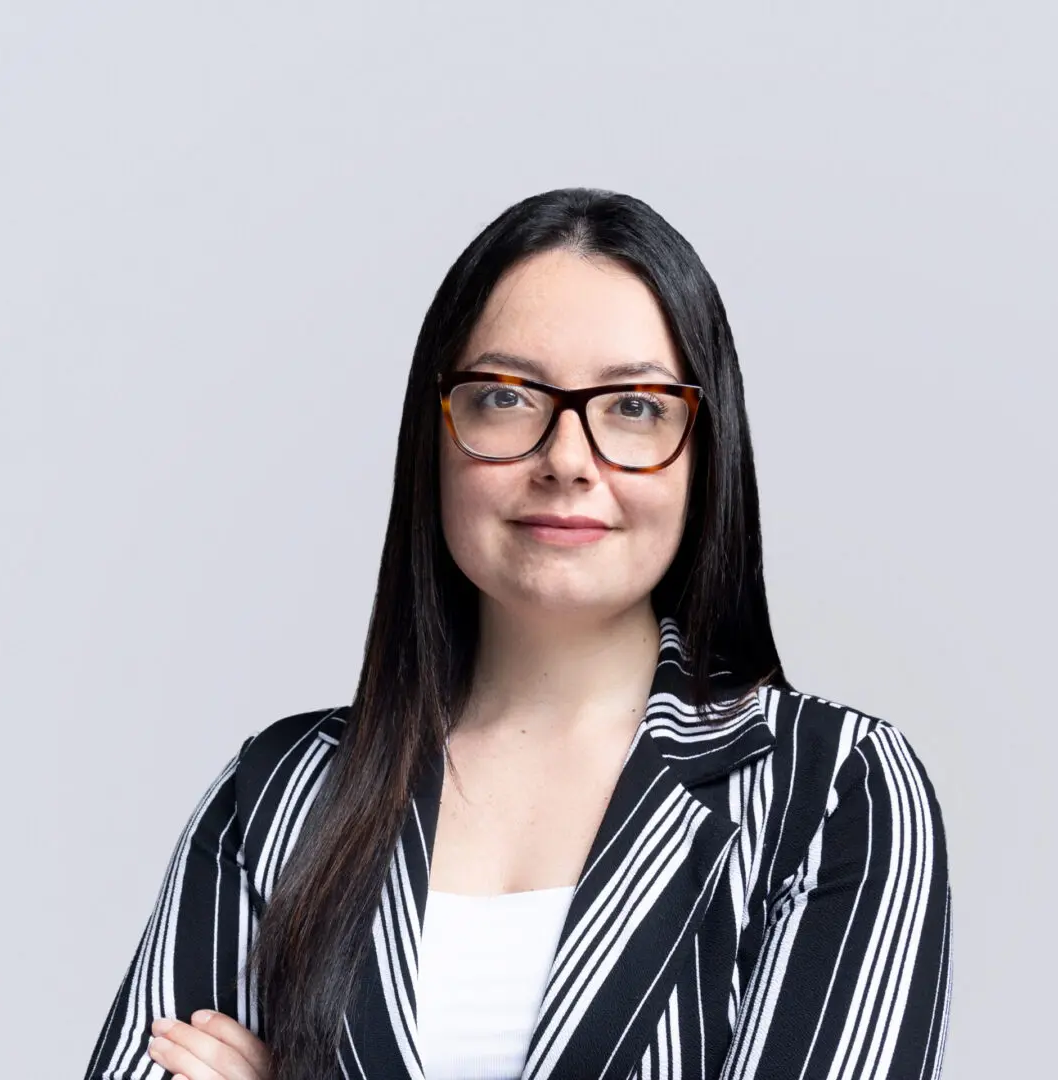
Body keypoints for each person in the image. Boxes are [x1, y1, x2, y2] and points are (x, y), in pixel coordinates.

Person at [84, 188, 952, 1080]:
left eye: (636, 407)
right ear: (438, 432)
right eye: (506, 396)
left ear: (708, 448)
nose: (567, 460)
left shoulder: (833, 792)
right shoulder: (278, 797)